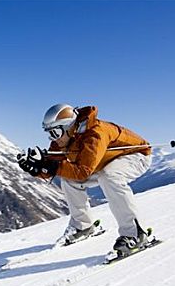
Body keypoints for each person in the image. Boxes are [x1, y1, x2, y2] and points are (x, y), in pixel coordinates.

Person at [17, 104, 152, 255]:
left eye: (55, 132)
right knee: (68, 180)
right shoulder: (62, 139)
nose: (53, 138)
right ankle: (83, 226)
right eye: (50, 134)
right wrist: (36, 168)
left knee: (110, 177)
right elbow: (54, 166)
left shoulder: (95, 134)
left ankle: (135, 234)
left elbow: (82, 172)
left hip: (136, 156)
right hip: (104, 162)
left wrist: (51, 166)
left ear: (68, 127)